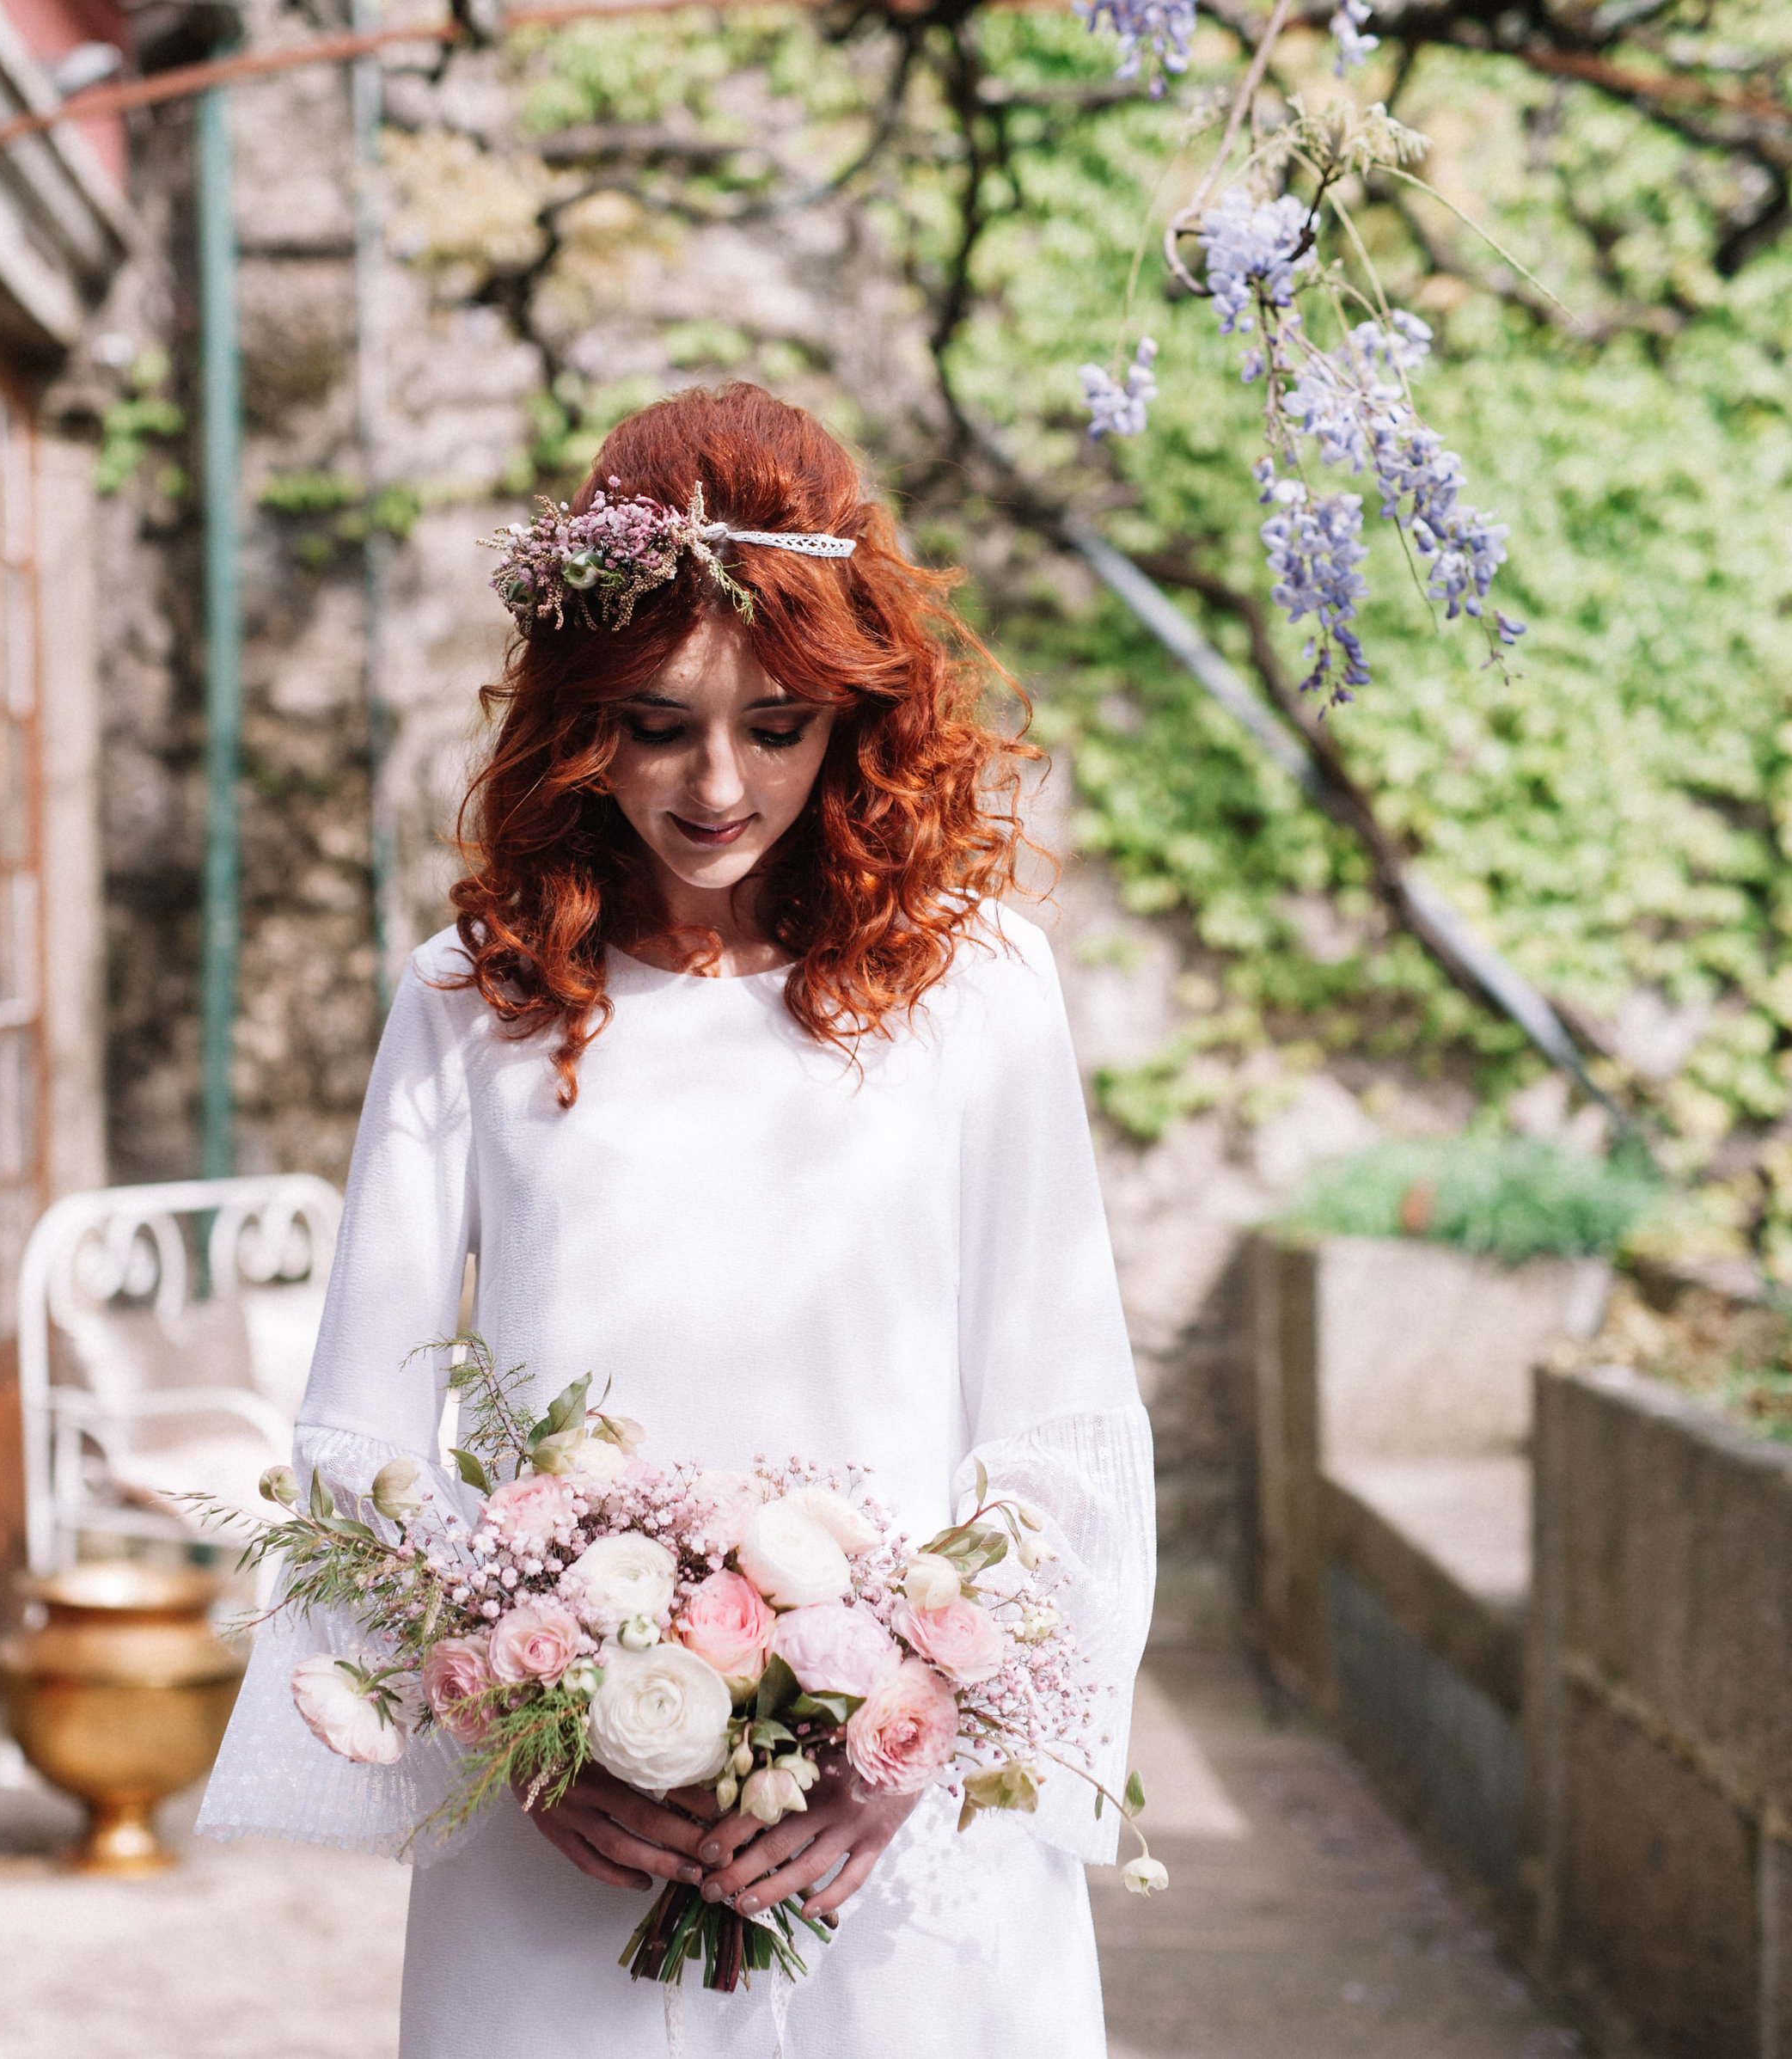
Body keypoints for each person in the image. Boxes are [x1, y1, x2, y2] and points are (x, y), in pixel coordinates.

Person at [199, 383, 1154, 2057]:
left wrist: (901, 1748)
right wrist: (515, 1728)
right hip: (565, 1828)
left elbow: (1060, 1415)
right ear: (581, 715)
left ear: (851, 713)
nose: (720, 784)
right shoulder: (470, 1000)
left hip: (902, 1833)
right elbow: (367, 1427)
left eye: (778, 723)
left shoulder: (976, 990)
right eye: (658, 721)